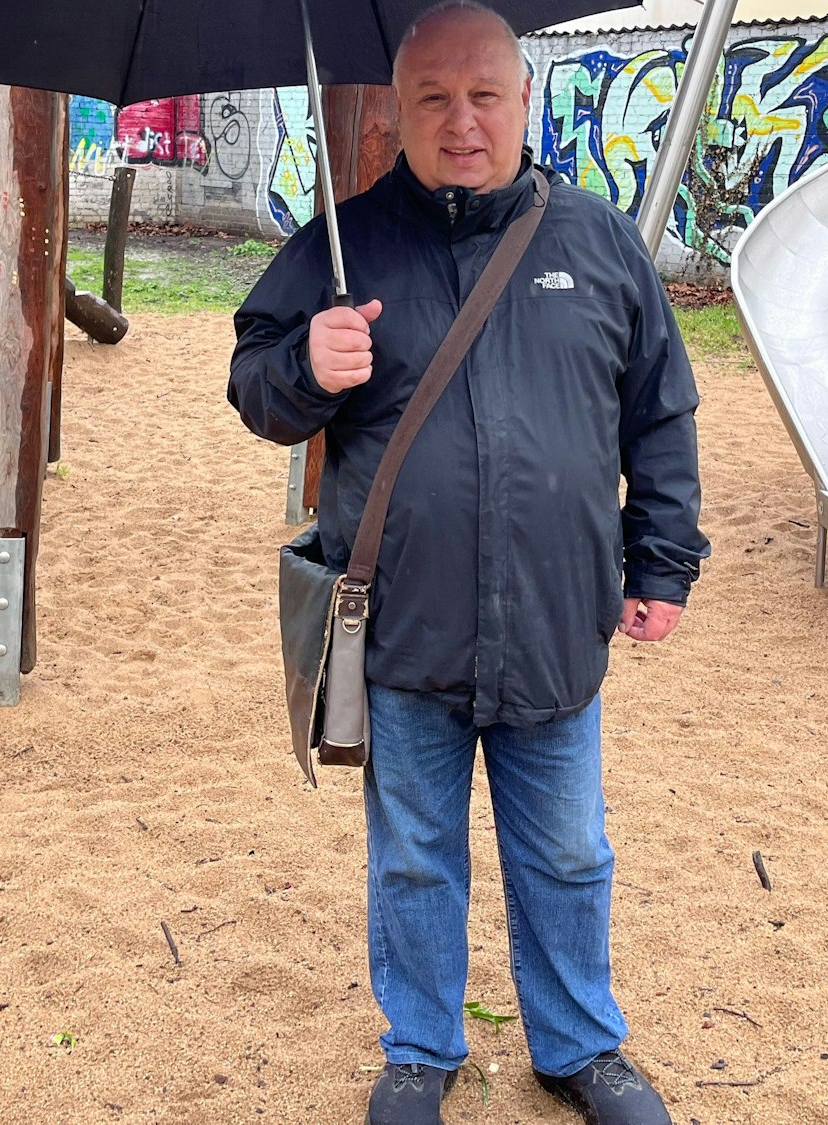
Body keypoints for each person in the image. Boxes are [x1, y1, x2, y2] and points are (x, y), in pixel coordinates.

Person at [228, 3, 707, 1122]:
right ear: (397, 112)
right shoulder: (342, 246)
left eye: (482, 95)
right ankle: (419, 1051)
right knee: (411, 862)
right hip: (403, 626)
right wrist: (306, 360)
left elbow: (659, 415)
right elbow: (254, 392)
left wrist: (662, 563)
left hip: (552, 620)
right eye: (431, 100)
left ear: (521, 102)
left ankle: (581, 1049)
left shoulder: (594, 241)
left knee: (570, 856)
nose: (459, 123)